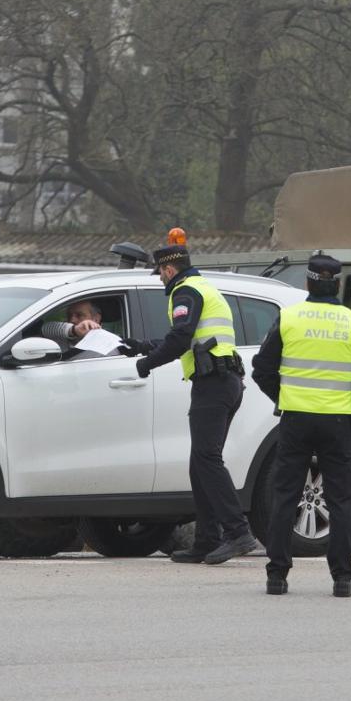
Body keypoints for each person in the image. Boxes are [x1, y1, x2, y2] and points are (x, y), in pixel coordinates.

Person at [250, 253, 351, 597]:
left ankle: (277, 576)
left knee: (284, 496)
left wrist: (284, 396)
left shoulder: (289, 318)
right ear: (336, 283)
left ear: (307, 282)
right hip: (337, 424)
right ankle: (342, 578)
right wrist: (350, 401)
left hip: (295, 421)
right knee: (341, 499)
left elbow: (262, 368)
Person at [129, 238, 259, 565]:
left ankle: (238, 532)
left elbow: (180, 340)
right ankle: (206, 540)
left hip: (213, 383)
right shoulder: (201, 287)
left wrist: (147, 364)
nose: (159, 278)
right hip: (223, 381)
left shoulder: (184, 291)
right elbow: (188, 338)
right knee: (200, 462)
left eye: (160, 272)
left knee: (207, 458)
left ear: (169, 269)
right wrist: (143, 346)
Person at [41, 299, 107, 354]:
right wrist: (74, 330)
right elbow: (44, 329)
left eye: (79, 315)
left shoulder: (106, 345)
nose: (72, 320)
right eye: (69, 315)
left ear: (96, 319)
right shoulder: (61, 337)